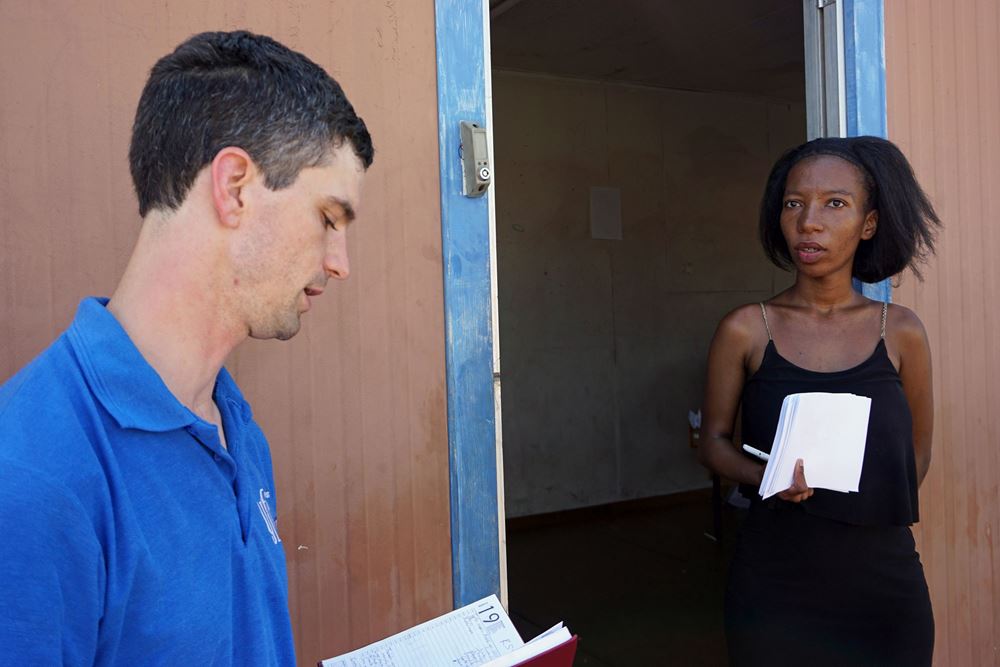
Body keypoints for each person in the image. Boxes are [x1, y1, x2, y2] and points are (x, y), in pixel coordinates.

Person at [0, 30, 372, 665]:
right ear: (234, 187)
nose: (340, 263)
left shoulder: (238, 430)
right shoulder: (31, 476)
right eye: (328, 218)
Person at [698, 136, 939, 666]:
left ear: (868, 224)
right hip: (774, 584)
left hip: (884, 587)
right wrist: (769, 478)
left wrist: (864, 509)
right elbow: (712, 442)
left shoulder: (901, 332)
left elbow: (918, 452)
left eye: (835, 203)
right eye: (794, 203)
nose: (809, 222)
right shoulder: (746, 329)